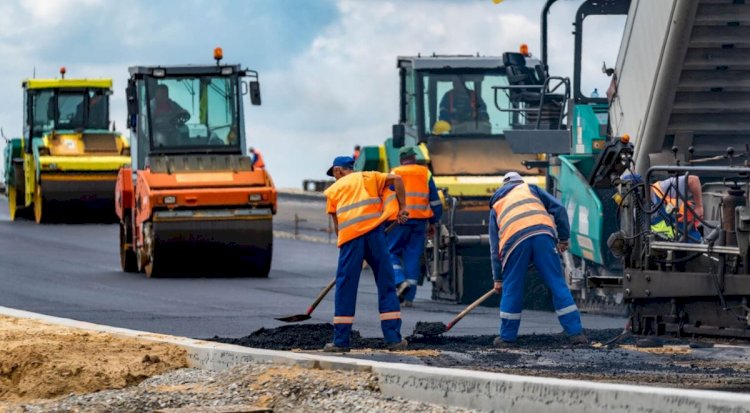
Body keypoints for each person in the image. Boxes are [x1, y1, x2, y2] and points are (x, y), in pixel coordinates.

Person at [489, 171, 587, 347]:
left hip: (514, 242)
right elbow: (560, 209)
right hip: (543, 235)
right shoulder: (531, 189)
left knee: (512, 287)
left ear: (504, 186)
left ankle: (507, 338)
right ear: (520, 182)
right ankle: (576, 334)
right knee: (557, 283)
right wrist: (563, 238)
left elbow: (494, 246)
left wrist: (498, 278)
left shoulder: (497, 204)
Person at [323, 155, 410, 352]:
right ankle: (394, 339)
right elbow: (397, 179)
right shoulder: (369, 177)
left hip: (351, 239)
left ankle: (341, 342)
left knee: (346, 286)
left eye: (334, 174)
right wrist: (403, 207)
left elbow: (337, 227)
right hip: (375, 235)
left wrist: (352, 252)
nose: (334, 178)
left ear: (338, 170)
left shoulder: (333, 190)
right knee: (386, 283)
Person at [386, 147, 443, 307]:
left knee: (390, 252)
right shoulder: (425, 173)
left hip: (398, 220)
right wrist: (434, 221)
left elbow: (387, 196)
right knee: (413, 257)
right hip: (419, 221)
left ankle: (399, 281)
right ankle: (409, 298)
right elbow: (435, 202)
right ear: (414, 158)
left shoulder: (394, 172)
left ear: (401, 159)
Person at [650, 175, 703, 242]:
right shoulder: (636, 210)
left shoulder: (662, 187)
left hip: (690, 242)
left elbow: (693, 180)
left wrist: (699, 207)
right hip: (661, 247)